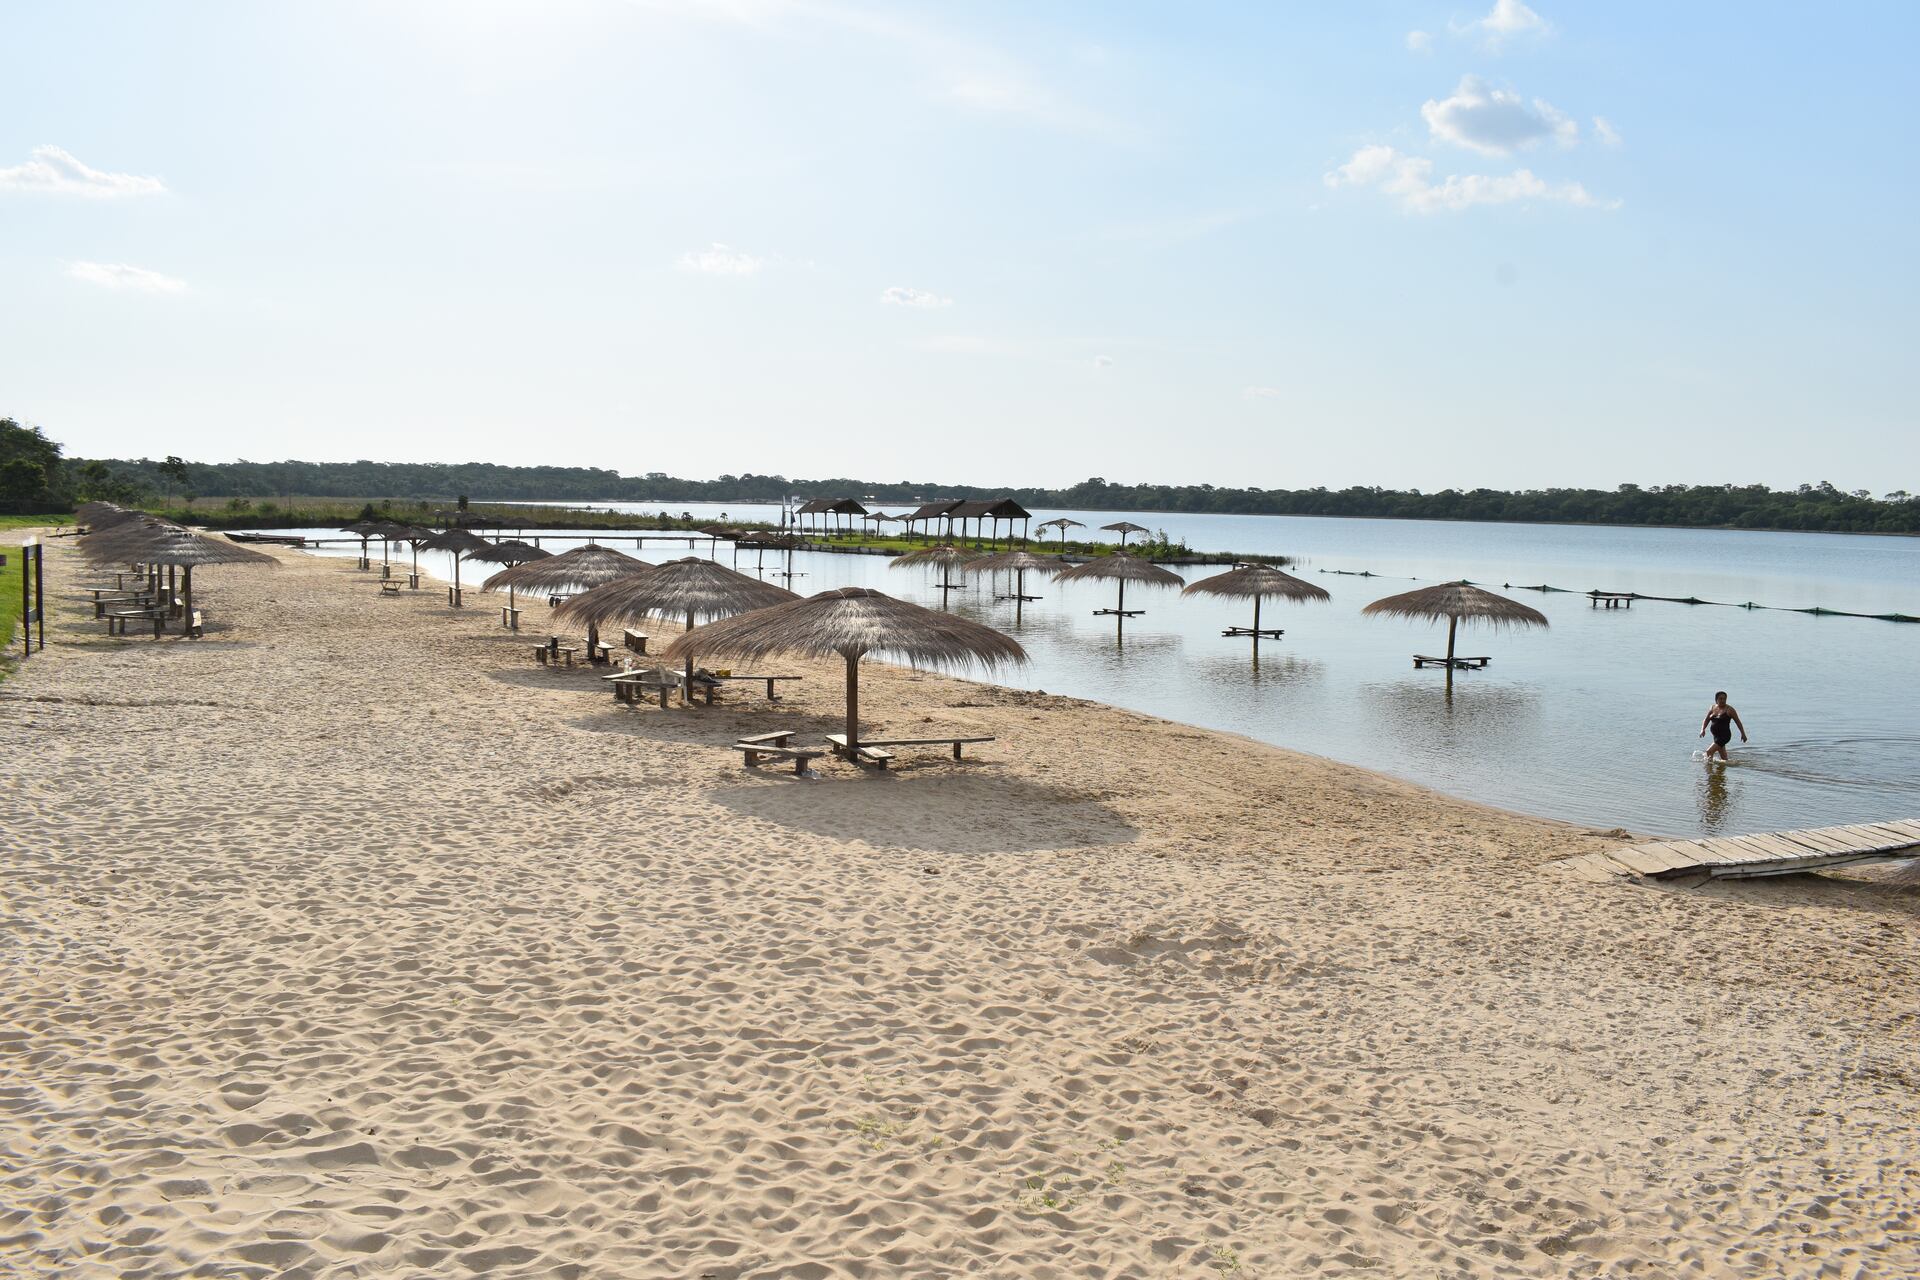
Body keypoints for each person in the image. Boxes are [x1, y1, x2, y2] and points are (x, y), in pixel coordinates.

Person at [1698, 691, 1747, 762]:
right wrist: (1703, 730)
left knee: (1709, 752)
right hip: (1716, 736)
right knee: (1724, 759)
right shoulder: (1712, 707)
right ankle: (1721, 772)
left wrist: (1743, 734)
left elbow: (1738, 722)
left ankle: (1709, 772)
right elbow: (1706, 719)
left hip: (1724, 736)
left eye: (1724, 699)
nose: (1723, 701)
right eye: (1720, 699)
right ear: (1716, 699)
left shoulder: (1730, 710)